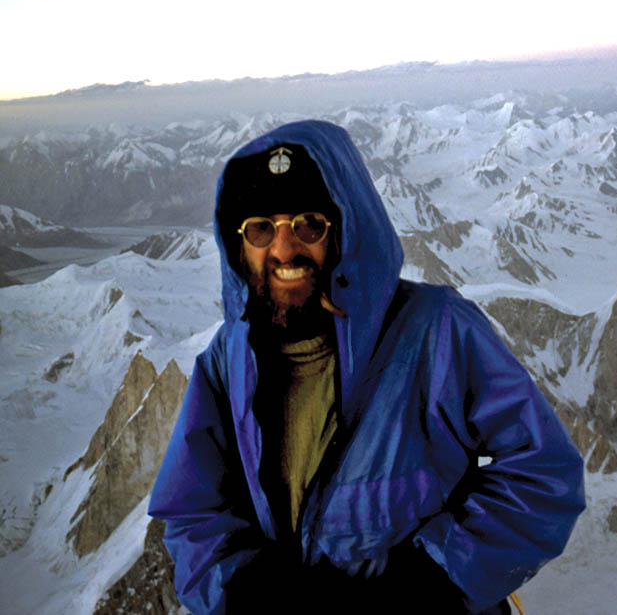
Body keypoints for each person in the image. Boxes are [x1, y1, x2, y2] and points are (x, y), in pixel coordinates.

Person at [148, 120, 586, 614]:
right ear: (239, 246)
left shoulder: (435, 331)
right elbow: (192, 511)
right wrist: (247, 592)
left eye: (309, 223)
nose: (285, 248)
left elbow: (545, 473)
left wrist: (433, 583)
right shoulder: (228, 361)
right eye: (261, 228)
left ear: (345, 230)